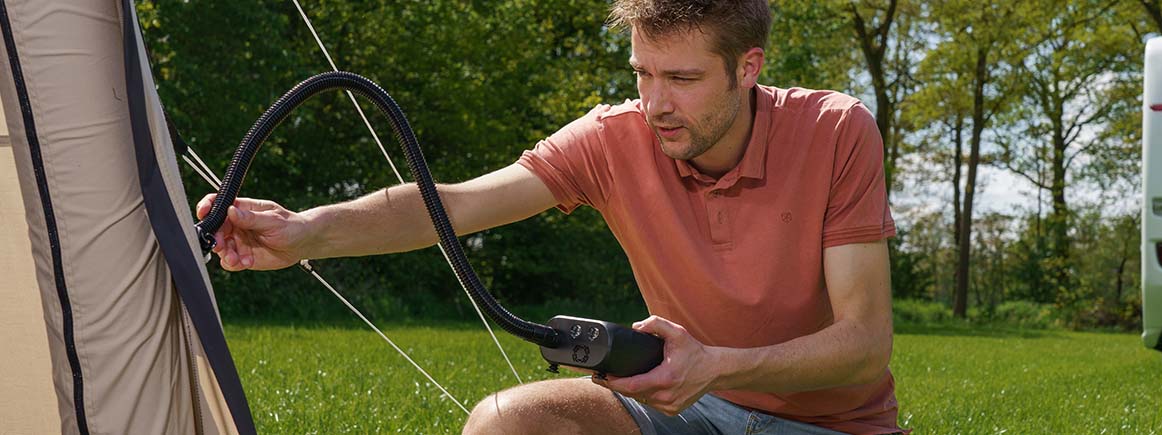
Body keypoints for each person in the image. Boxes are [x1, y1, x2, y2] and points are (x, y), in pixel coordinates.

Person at [196, 1, 903, 434]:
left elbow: (865, 342)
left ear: (748, 68)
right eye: (642, 73)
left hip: (832, 428)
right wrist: (306, 231)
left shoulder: (837, 131)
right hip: (684, 416)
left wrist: (717, 366)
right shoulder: (616, 137)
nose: (655, 103)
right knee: (507, 424)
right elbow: (458, 203)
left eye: (682, 79)